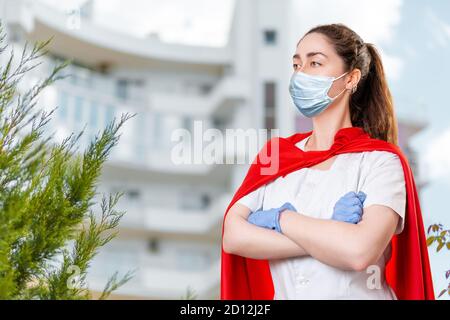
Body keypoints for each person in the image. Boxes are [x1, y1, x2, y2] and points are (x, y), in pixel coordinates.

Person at [221, 23, 434, 300]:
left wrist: (280, 219)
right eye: (297, 65)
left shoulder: (381, 161)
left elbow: (359, 252)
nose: (301, 74)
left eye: (315, 62)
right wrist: (333, 235)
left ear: (351, 78)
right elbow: (233, 236)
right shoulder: (275, 155)